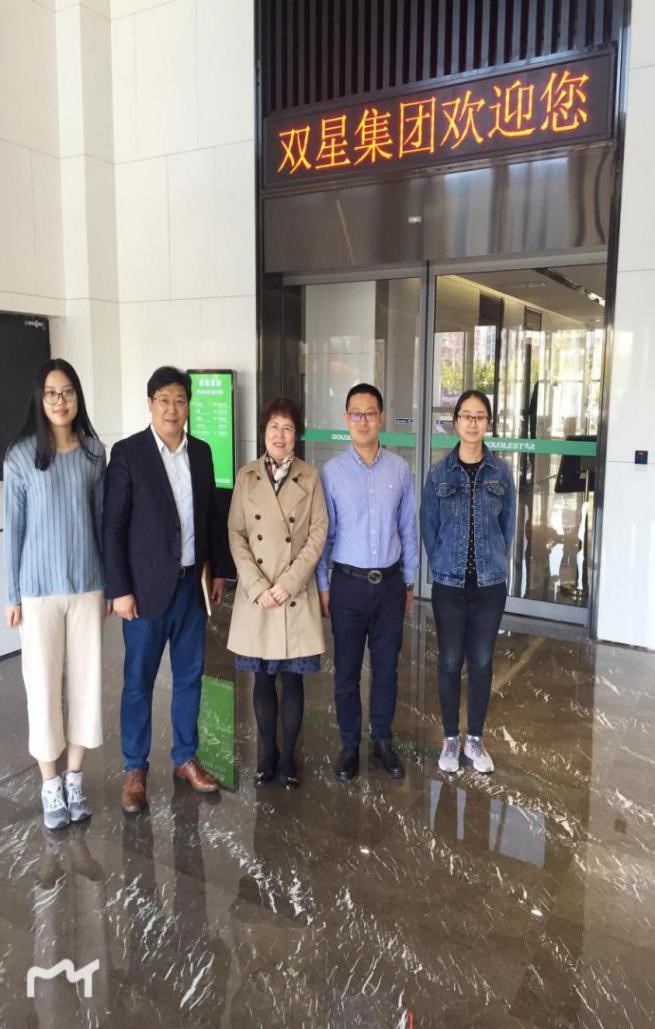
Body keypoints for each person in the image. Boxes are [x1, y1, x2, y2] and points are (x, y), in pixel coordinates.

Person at [103, 366, 231, 814]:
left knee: (190, 676)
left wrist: (218, 572)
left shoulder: (202, 452)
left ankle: (184, 757)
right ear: (150, 404)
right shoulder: (128, 454)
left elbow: (212, 516)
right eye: (164, 399)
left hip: (191, 587)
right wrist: (119, 589)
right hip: (144, 591)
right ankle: (135, 768)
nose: (172, 408)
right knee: (138, 682)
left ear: (188, 404)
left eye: (180, 399)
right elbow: (113, 526)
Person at [3, 358, 107, 830]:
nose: (60, 401)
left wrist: (111, 585)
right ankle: (50, 783)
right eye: (51, 393)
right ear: (39, 399)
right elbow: (13, 531)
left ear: (77, 397)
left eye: (67, 392)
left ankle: (74, 777)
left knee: (86, 683)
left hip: (87, 585)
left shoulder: (93, 453)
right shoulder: (21, 456)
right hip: (38, 590)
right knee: (42, 687)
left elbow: (102, 522)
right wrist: (12, 595)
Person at [317, 384, 418, 783]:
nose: (363, 421)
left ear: (381, 418)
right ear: (346, 419)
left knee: (386, 670)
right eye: (355, 414)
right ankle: (348, 745)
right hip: (348, 585)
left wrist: (409, 581)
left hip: (390, 585)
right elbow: (325, 535)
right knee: (346, 672)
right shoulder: (332, 473)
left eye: (370, 413)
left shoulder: (400, 469)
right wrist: (324, 585)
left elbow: (407, 528)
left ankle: (382, 740)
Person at [227, 398, 327, 790]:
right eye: (273, 427)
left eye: (287, 428)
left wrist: (288, 583)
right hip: (258, 596)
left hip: (292, 593)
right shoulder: (246, 475)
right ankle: (267, 754)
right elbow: (236, 532)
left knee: (293, 681)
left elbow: (318, 533)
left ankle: (288, 760)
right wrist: (257, 587)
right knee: (263, 682)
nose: (280, 435)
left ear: (296, 434)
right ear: (264, 432)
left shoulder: (310, 476)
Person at [420, 389, 516, 774]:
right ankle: (450, 738)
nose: (473, 423)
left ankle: (474, 739)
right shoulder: (439, 473)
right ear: (456, 421)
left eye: (480, 417)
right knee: (448, 660)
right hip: (449, 584)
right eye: (466, 416)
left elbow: (507, 525)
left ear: (487, 423)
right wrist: (444, 563)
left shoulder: (501, 472)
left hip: (489, 585)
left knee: (481, 661)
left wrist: (495, 562)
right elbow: (429, 527)